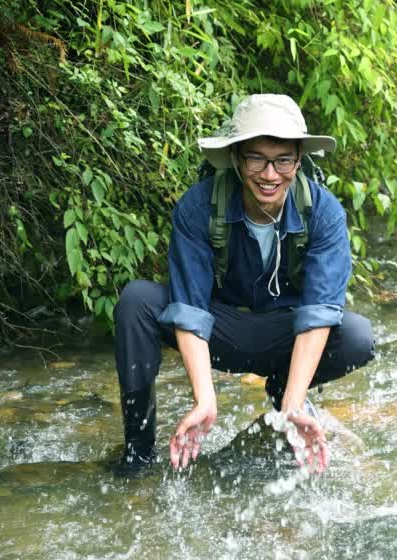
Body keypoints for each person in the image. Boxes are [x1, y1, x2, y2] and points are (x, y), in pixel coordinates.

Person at [112, 94, 375, 473]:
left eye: (283, 160)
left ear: (299, 160)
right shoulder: (198, 207)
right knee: (137, 301)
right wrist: (205, 400)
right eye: (257, 159)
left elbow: (319, 313)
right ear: (236, 159)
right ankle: (137, 453)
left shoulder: (325, 213)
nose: (270, 174)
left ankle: (285, 391)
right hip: (223, 330)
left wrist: (293, 406)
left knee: (356, 334)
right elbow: (189, 308)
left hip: (286, 333)